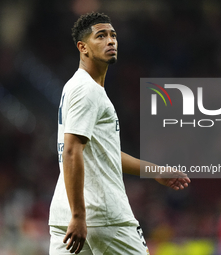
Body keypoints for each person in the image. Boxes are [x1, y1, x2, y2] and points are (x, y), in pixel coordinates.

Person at [48, 12, 191, 255]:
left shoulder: (75, 86)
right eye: (101, 36)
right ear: (82, 47)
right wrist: (79, 215)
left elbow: (104, 153)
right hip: (103, 215)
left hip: (65, 217)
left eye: (113, 35)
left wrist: (155, 171)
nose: (111, 41)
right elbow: (71, 151)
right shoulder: (87, 91)